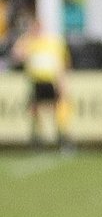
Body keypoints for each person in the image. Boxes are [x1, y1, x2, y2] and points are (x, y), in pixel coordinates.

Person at [9, 14, 72, 150]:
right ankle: (37, 138)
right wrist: (26, 40)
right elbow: (16, 56)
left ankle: (61, 137)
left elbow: (61, 65)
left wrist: (62, 84)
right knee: (34, 109)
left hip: (51, 81)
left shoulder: (52, 42)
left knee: (57, 109)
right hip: (36, 81)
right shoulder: (28, 42)